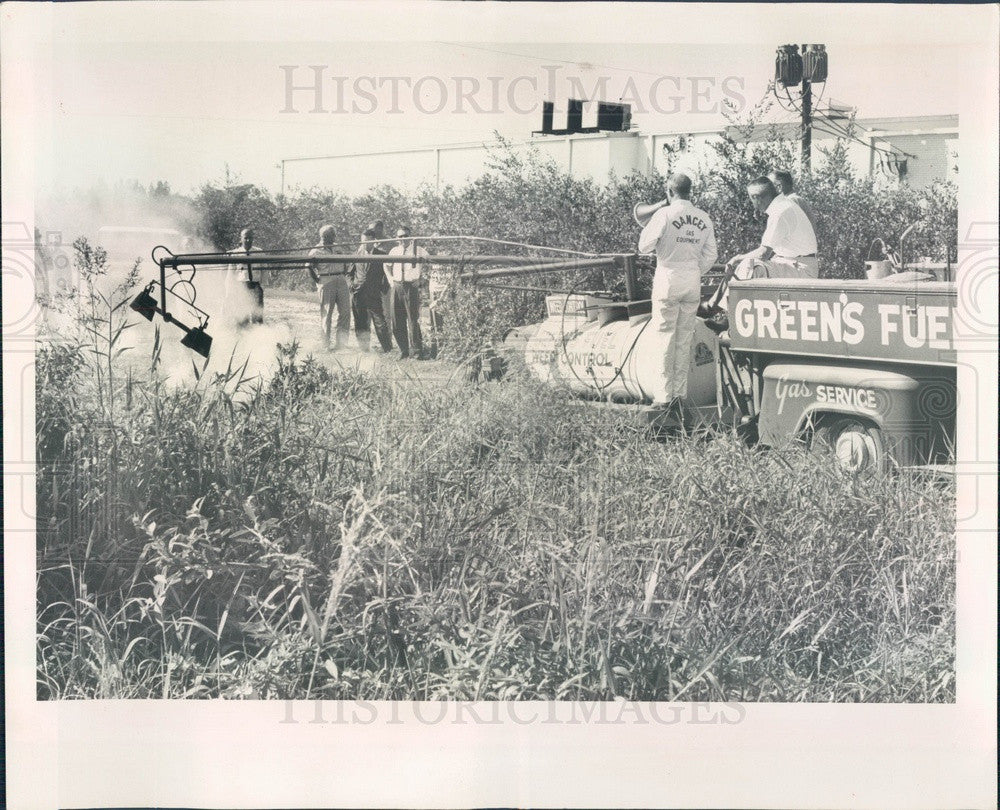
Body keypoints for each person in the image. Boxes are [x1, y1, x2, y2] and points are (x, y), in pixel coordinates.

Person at [637, 172, 718, 411]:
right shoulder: (703, 217)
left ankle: (663, 397)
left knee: (664, 337)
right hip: (692, 280)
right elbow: (711, 254)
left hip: (668, 278)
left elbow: (644, 246)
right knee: (684, 338)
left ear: (670, 192)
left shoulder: (664, 213)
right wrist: (694, 269)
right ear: (690, 191)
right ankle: (679, 395)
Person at [348, 227, 393, 353]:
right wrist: (352, 285)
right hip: (358, 293)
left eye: (367, 242)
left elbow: (387, 273)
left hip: (374, 293)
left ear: (374, 241)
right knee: (360, 322)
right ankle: (364, 349)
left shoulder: (382, 255)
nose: (364, 245)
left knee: (380, 322)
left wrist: (383, 287)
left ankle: (387, 349)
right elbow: (349, 273)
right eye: (362, 242)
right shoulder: (356, 255)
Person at [387, 226, 429, 359]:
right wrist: (391, 280)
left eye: (405, 236)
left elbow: (430, 265)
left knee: (412, 319)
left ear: (410, 237)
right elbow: (386, 266)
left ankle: (416, 351)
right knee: (396, 319)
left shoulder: (419, 250)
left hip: (412, 287)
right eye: (400, 237)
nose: (403, 239)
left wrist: (422, 279)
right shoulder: (394, 251)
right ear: (397, 238)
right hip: (397, 286)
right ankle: (403, 350)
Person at [308, 225, 351, 351]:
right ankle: (325, 344)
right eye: (332, 235)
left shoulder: (337, 247)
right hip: (326, 280)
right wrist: (318, 280)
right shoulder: (315, 251)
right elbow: (308, 267)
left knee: (345, 312)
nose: (334, 237)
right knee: (327, 313)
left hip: (340, 279)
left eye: (334, 235)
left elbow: (345, 262)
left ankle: (341, 343)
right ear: (324, 236)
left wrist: (343, 273)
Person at [224, 227, 264, 325]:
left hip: (255, 286)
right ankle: (242, 337)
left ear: (253, 238)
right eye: (245, 238)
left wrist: (262, 286)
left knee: (257, 316)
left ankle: (258, 337)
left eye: (250, 238)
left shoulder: (259, 253)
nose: (248, 240)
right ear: (241, 239)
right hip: (241, 287)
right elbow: (230, 273)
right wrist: (230, 291)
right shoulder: (235, 254)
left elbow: (265, 270)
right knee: (242, 317)